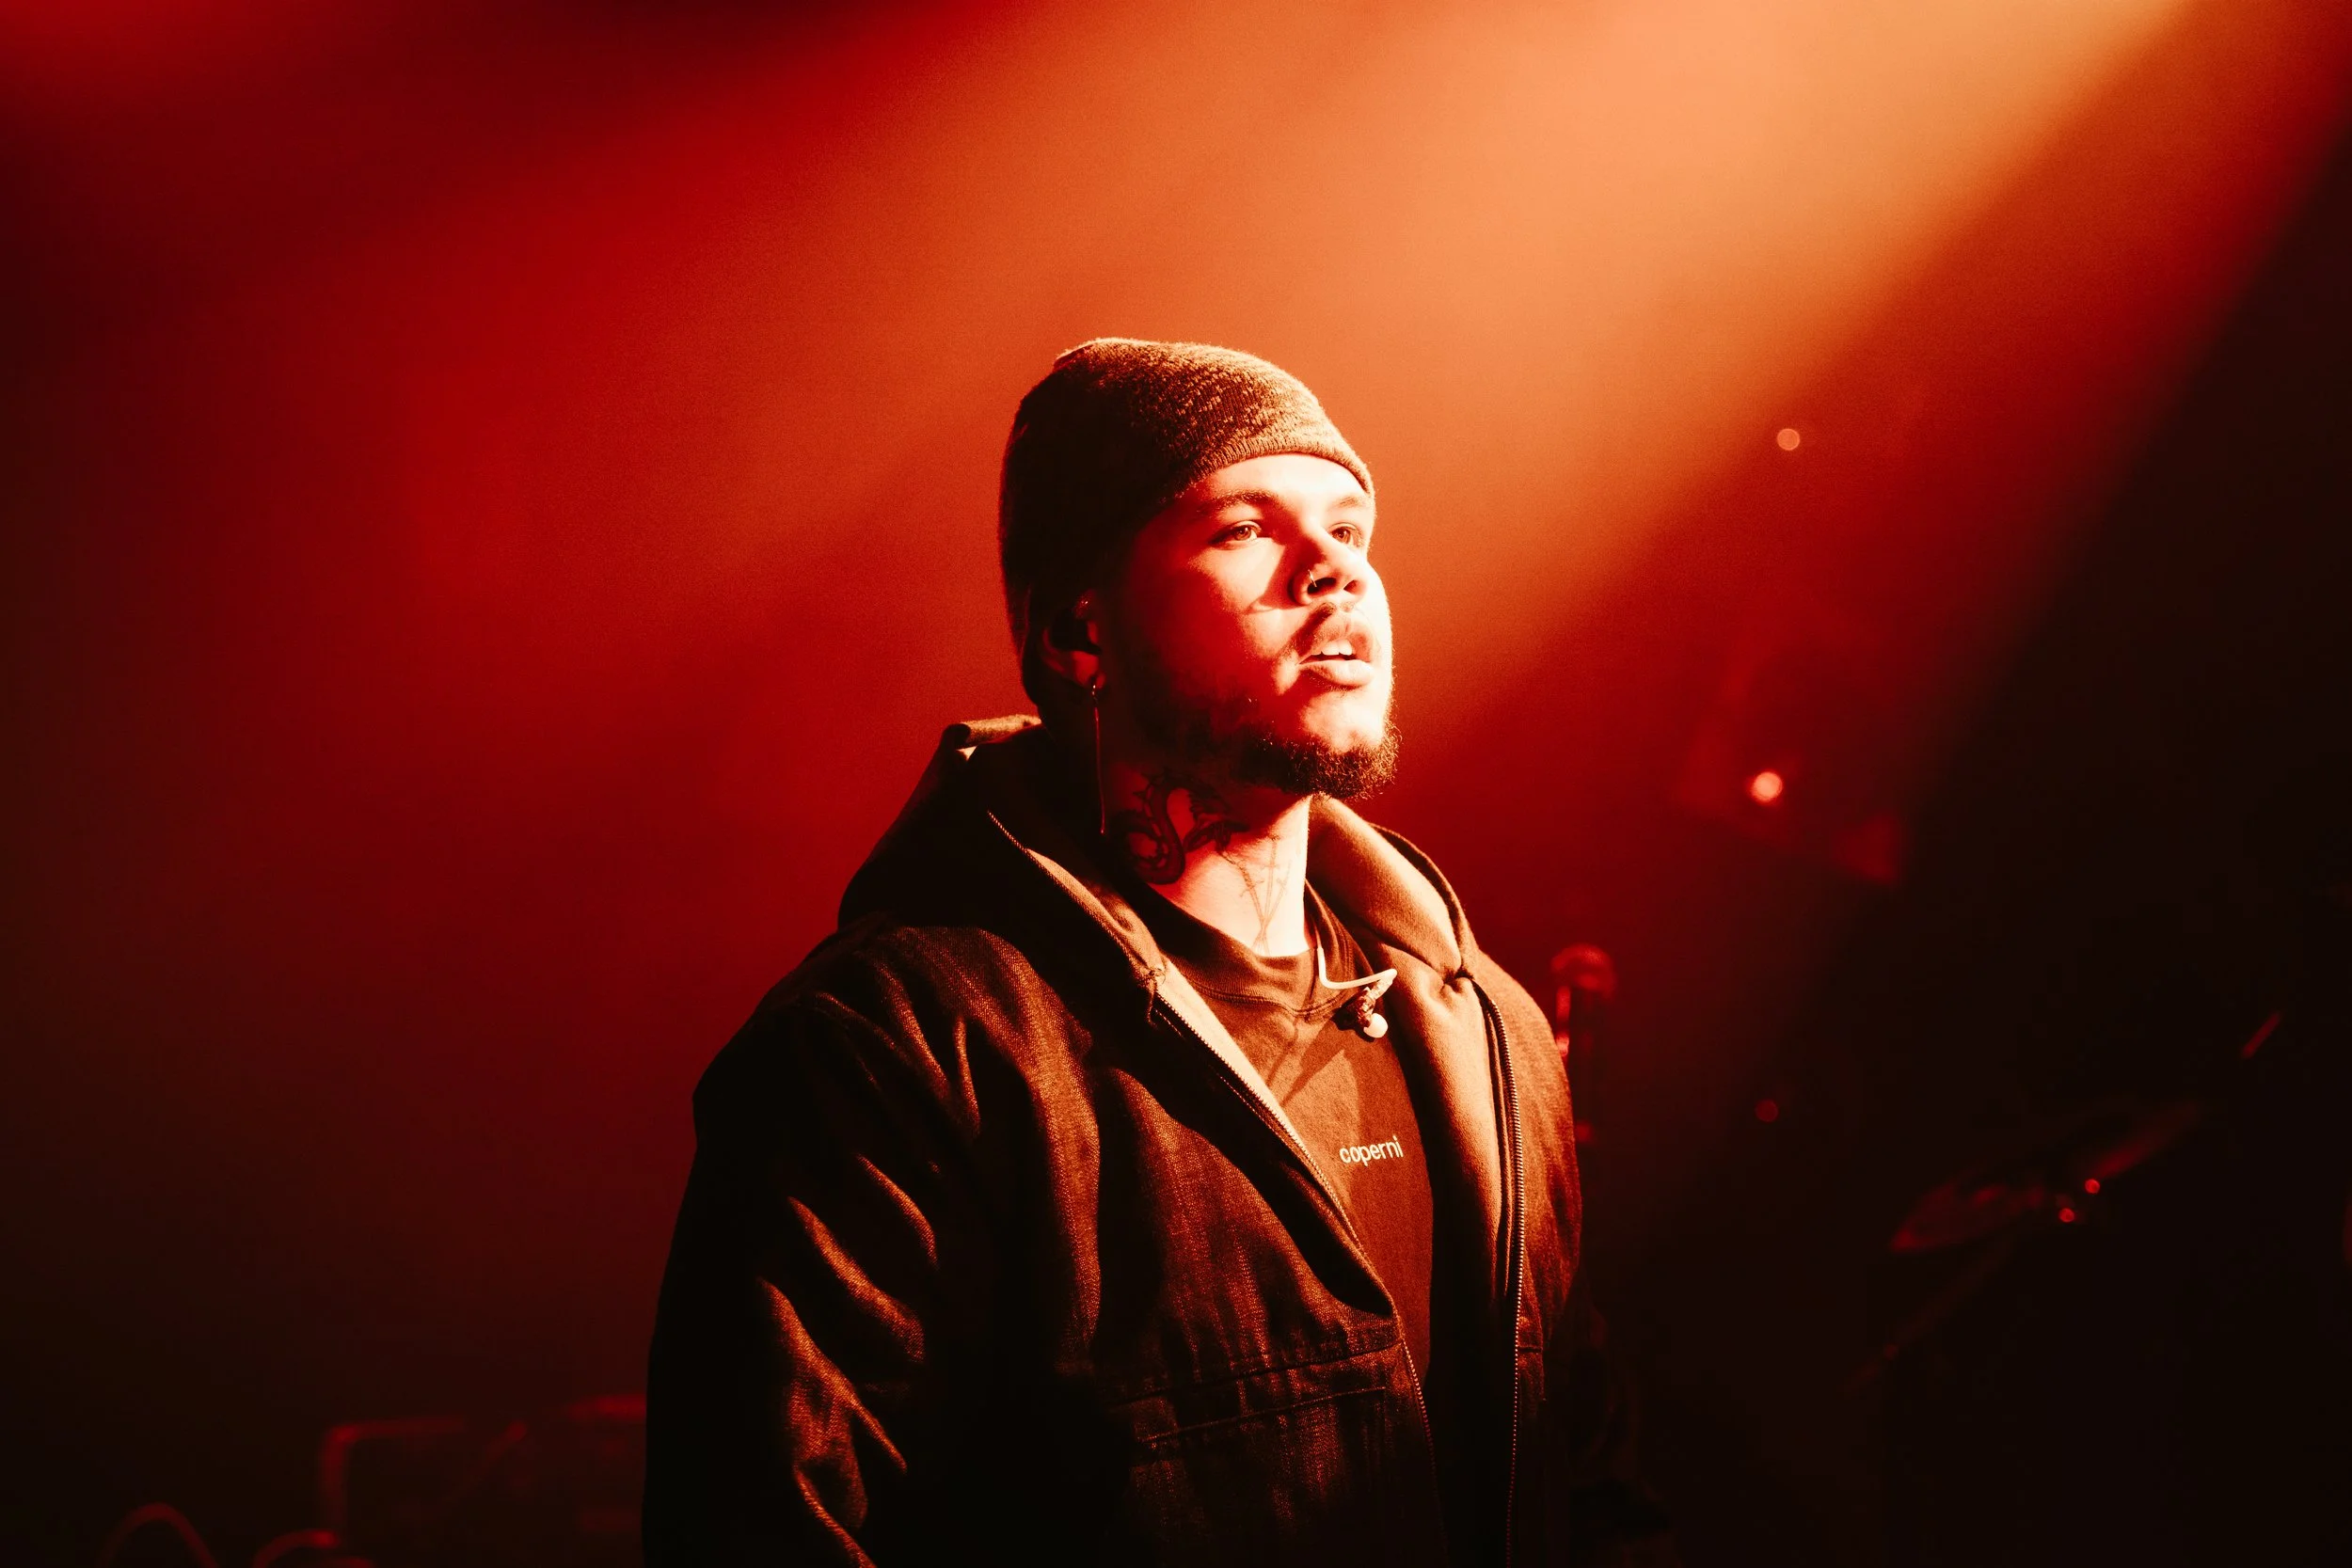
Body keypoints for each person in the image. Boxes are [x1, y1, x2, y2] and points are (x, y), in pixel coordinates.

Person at [644, 339, 1654, 1565]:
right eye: (1244, 527)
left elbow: (1589, 1492)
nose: (1335, 568)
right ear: (1082, 629)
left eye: (1351, 526)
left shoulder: (1489, 1033)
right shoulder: (900, 1050)